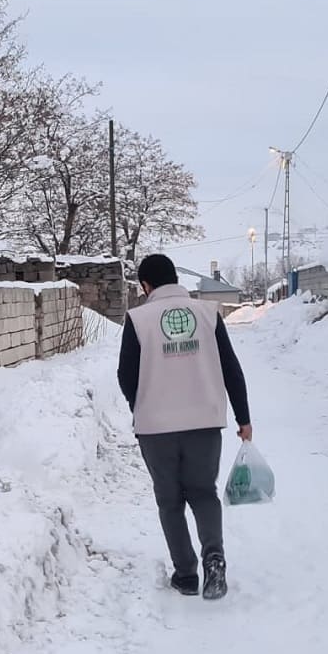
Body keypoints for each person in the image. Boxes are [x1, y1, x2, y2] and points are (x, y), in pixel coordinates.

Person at [117, 253, 252, 600]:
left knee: (170, 500)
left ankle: (186, 574)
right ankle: (214, 559)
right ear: (176, 280)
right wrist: (244, 418)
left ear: (145, 285)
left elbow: (125, 374)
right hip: (204, 422)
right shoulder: (208, 313)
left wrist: (140, 407)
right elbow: (231, 368)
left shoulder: (138, 319)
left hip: (155, 428)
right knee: (204, 493)